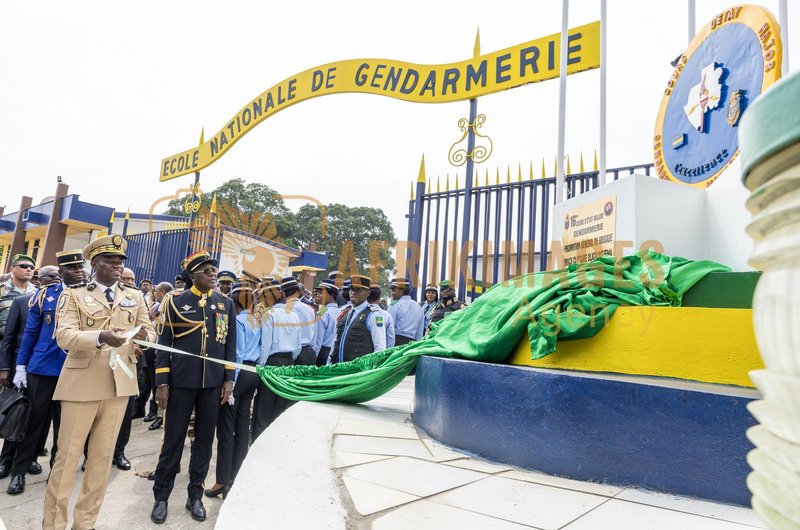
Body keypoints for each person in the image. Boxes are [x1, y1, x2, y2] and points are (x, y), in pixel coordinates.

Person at [43, 235, 154, 530]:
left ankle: (86, 523)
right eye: (110, 260)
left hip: (120, 385)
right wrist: (101, 337)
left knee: (102, 461)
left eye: (120, 261)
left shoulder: (135, 296)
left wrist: (145, 338)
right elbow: (64, 336)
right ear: (95, 264)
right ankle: (53, 524)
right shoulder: (74, 295)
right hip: (82, 384)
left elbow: (150, 330)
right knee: (66, 460)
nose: (117, 265)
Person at [151, 251, 236, 524]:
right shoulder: (175, 301)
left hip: (212, 383)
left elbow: (229, 345)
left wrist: (229, 379)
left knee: (203, 442)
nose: (213, 274)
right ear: (192, 275)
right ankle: (161, 497)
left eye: (214, 269)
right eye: (207, 270)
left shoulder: (225, 303)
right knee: (173, 441)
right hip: (180, 383)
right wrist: (162, 382)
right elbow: (163, 346)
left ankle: (195, 496)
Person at [6, 254, 86, 495]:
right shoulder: (44, 295)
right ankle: (18, 472)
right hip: (42, 368)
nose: (79, 271)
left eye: (81, 266)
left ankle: (57, 473)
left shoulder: (92, 296)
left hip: (75, 369)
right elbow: (30, 333)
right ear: (61, 271)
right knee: (33, 422)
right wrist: (21, 366)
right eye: (73, 267)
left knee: (66, 427)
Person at [206, 282, 260, 499]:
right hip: (253, 372)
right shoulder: (257, 321)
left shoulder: (238, 321)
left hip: (238, 376)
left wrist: (231, 382)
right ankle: (237, 477)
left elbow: (237, 355)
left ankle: (223, 481)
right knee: (242, 429)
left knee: (227, 431)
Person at [251, 279, 300, 441]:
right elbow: (298, 346)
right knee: (280, 409)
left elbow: (265, 345)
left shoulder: (268, 314)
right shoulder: (293, 315)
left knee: (263, 410)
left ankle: (259, 444)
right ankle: (276, 443)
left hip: (271, 364)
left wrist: (261, 367)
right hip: (289, 365)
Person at [111, 267, 141, 470]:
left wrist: (143, 342)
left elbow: (146, 328)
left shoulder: (137, 297)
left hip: (127, 363)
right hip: (101, 361)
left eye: (131, 279)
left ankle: (119, 452)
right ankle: (90, 455)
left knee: (124, 414)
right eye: (125, 278)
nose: (129, 282)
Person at [139, 281, 173, 430]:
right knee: (151, 383)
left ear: (163, 293)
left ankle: (160, 416)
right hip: (151, 353)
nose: (154, 293)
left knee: (161, 385)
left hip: (164, 353)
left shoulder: (170, 306)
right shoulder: (155, 307)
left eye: (157, 291)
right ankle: (153, 412)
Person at [331, 274, 386, 364]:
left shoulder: (373, 315)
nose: (354, 292)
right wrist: (329, 362)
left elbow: (380, 347)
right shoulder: (345, 313)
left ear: (368, 293)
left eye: (358, 289)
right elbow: (335, 341)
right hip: (338, 367)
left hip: (358, 370)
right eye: (352, 289)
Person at [282, 276, 316, 366]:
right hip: (309, 352)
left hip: (292, 353)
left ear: (283, 294)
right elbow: (315, 334)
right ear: (297, 292)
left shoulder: (283, 309)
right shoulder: (309, 308)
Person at [312, 279, 341, 366]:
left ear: (331, 295)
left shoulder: (323, 311)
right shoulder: (341, 311)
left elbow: (318, 338)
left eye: (321, 293)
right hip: (335, 352)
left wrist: (314, 357)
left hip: (323, 352)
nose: (318, 295)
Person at [387, 278, 424, 346]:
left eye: (394, 290)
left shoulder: (395, 305)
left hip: (396, 343)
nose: (392, 293)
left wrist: (388, 349)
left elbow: (389, 329)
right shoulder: (419, 307)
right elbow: (419, 333)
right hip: (412, 344)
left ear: (402, 290)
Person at [368, 283, 395, 349]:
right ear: (379, 298)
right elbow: (391, 340)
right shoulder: (386, 315)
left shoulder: (358, 313)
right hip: (380, 354)